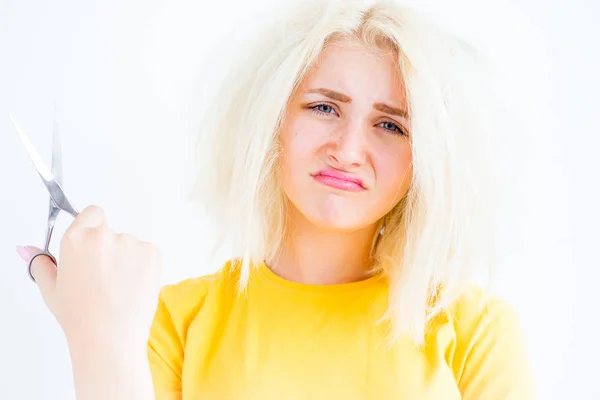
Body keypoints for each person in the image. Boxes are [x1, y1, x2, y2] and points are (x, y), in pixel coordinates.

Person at [16, 0, 537, 399]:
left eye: (389, 124)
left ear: (424, 158)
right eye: (324, 108)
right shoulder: (176, 321)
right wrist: (99, 341)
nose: (349, 150)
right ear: (272, 120)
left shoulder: (475, 330)